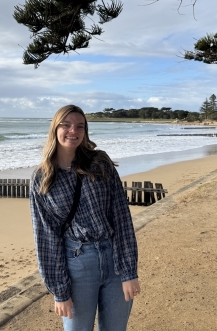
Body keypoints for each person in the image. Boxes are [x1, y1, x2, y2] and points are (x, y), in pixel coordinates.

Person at [30, 104, 140, 331]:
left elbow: (121, 216)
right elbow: (46, 238)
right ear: (55, 129)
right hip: (77, 263)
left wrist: (129, 271)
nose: (73, 131)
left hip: (113, 259)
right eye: (66, 125)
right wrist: (59, 291)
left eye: (80, 126)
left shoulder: (99, 162)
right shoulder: (42, 178)